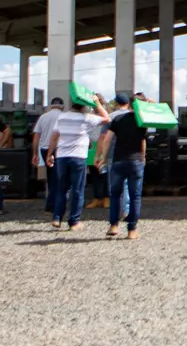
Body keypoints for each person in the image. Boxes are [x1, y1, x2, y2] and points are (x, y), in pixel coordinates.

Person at [47, 95, 108, 231]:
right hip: (78, 157)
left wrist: (50, 153)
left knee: (62, 188)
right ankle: (74, 221)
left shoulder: (62, 117)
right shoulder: (87, 118)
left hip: (62, 156)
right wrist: (97, 103)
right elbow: (107, 118)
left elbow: (54, 136)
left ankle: (57, 218)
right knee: (77, 189)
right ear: (84, 106)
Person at [98, 94, 146, 239]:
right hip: (136, 161)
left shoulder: (117, 119)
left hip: (118, 161)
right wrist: (143, 157)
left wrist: (103, 157)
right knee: (135, 196)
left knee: (115, 195)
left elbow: (107, 139)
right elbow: (143, 141)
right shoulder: (142, 121)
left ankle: (113, 226)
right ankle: (132, 230)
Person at [33, 98, 65, 216]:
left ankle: (50, 204)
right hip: (60, 149)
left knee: (51, 177)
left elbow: (36, 136)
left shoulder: (43, 117)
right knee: (60, 178)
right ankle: (55, 204)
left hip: (44, 149)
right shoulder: (64, 116)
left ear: (51, 106)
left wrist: (35, 153)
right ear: (62, 106)